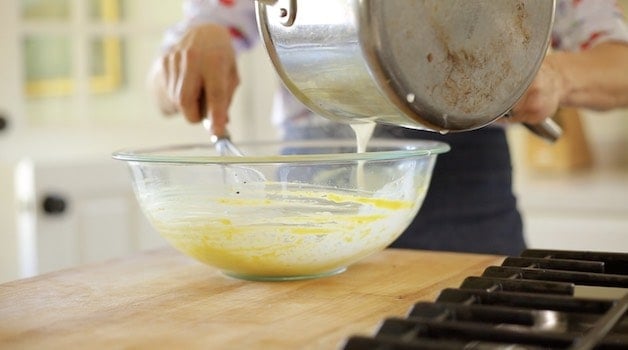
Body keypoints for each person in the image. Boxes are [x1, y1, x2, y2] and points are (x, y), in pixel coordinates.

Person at [149, 0, 628, 255]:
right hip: (310, 205)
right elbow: (162, 87)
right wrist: (198, 39)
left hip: (464, 200)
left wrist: (560, 77)